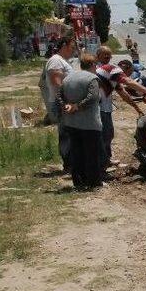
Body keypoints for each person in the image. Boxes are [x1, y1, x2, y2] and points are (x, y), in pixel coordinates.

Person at [95, 47, 146, 168]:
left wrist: (137, 108)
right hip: (99, 108)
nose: (108, 58)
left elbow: (123, 94)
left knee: (107, 134)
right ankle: (101, 166)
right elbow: (128, 82)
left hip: (102, 108)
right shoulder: (112, 69)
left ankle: (106, 160)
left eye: (109, 55)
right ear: (126, 68)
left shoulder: (105, 72)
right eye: (129, 73)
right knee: (105, 135)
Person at [56, 53, 103, 190]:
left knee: (77, 152)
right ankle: (94, 182)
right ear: (93, 65)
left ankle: (78, 181)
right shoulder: (92, 78)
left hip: (71, 123)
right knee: (92, 154)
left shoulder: (68, 78)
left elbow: (59, 95)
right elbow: (93, 97)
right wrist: (78, 106)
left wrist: (66, 105)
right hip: (90, 124)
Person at [40, 36, 76, 172]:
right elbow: (56, 82)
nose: (73, 50)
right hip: (62, 101)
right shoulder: (55, 61)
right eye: (72, 47)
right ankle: (69, 165)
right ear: (65, 45)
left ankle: (72, 163)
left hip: (65, 101)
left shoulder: (62, 61)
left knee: (70, 132)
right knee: (66, 133)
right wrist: (64, 101)